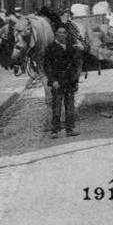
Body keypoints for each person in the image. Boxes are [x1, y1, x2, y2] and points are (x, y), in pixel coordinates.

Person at [43, 8, 86, 138]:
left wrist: (75, 80)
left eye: (64, 33)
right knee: (56, 107)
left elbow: (76, 65)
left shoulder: (71, 48)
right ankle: (55, 130)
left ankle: (69, 129)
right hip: (57, 82)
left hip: (69, 81)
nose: (62, 35)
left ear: (67, 35)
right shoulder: (51, 48)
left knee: (69, 106)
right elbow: (47, 66)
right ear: (56, 34)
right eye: (60, 33)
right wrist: (53, 81)